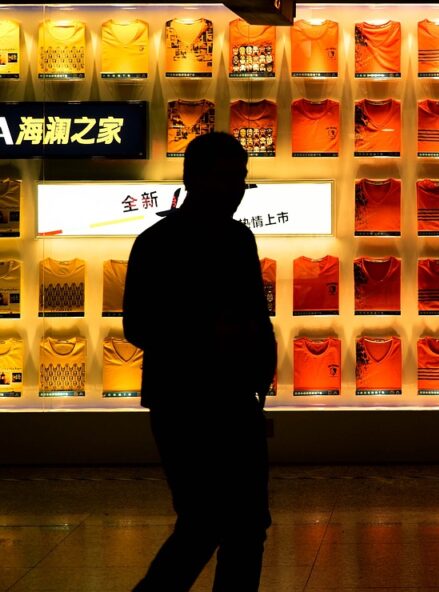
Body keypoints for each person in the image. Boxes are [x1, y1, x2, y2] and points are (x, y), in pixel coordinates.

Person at [124, 131, 277, 592]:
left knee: (245, 525)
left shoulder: (237, 238)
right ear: (195, 179)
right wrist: (212, 335)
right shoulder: (157, 243)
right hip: (185, 404)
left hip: (232, 401)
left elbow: (256, 311)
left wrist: (260, 371)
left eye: (241, 179)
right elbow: (138, 326)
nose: (236, 189)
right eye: (229, 178)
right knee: (205, 522)